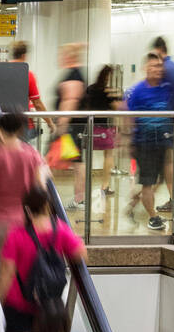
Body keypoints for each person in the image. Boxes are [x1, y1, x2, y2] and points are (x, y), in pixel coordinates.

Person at [0, 184, 86, 332]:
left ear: (27, 210)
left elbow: (7, 274)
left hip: (19, 305)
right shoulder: (61, 229)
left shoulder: (16, 235)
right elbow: (81, 254)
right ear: (48, 206)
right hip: (48, 305)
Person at [0, 110, 46, 284]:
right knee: (23, 273)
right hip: (23, 223)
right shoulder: (33, 155)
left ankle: (0, 308)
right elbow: (40, 190)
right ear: (22, 129)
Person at [124, 52, 174, 232]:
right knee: (148, 182)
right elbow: (128, 117)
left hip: (163, 142)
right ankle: (153, 217)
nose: (156, 70)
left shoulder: (166, 88)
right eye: (153, 66)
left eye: (159, 66)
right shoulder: (137, 91)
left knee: (161, 180)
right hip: (144, 144)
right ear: (146, 68)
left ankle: (134, 202)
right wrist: (129, 141)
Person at [51, 43, 87, 215]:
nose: (60, 57)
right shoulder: (75, 73)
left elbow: (70, 100)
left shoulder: (73, 75)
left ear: (69, 56)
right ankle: (79, 198)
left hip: (69, 128)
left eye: (63, 54)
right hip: (72, 127)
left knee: (50, 161)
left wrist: (61, 126)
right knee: (77, 162)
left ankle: (50, 198)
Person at [151, 36, 174, 214]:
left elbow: (161, 98)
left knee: (167, 164)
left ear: (158, 51)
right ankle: (173, 198)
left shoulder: (165, 69)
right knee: (168, 163)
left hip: (166, 123)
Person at [84, 65, 120, 197]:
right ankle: (105, 185)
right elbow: (118, 107)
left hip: (90, 127)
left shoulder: (90, 89)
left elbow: (86, 105)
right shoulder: (108, 91)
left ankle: (85, 185)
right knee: (109, 156)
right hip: (104, 128)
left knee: (87, 157)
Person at [11, 41, 47, 116]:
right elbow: (37, 104)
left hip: (1, 124)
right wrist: (50, 123)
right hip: (22, 122)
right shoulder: (28, 74)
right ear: (24, 56)